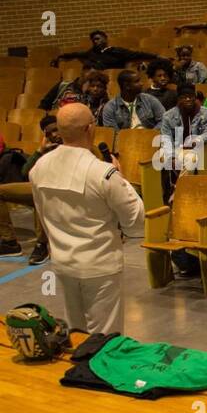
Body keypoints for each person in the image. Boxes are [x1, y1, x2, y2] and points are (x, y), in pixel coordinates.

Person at [29, 104, 145, 335]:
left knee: (77, 333)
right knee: (104, 338)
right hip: (99, 264)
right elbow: (135, 221)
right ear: (90, 128)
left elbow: (42, 214)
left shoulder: (39, 167)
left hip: (63, 261)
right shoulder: (102, 172)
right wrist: (121, 177)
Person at [1, 117, 57, 263]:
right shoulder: (45, 149)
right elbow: (25, 172)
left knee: (42, 191)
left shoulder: (72, 145)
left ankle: (42, 245)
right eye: (51, 132)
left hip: (60, 190)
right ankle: (9, 242)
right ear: (45, 134)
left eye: (58, 129)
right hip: (40, 187)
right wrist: (40, 151)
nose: (56, 134)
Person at [156, 85, 207, 196]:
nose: (188, 99)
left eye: (190, 96)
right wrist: (172, 156)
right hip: (175, 148)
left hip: (196, 149)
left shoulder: (204, 112)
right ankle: (166, 193)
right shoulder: (168, 116)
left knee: (190, 159)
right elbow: (166, 139)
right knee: (160, 158)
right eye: (184, 97)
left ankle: (178, 193)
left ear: (195, 97)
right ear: (179, 99)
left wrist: (197, 139)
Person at [52, 30, 154, 70]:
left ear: (105, 39)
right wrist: (60, 56)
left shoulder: (116, 51)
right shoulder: (91, 53)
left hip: (117, 77)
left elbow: (136, 54)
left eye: (98, 39)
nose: (95, 41)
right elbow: (75, 54)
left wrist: (156, 57)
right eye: (93, 40)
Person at [99, 70, 164, 130]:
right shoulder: (110, 107)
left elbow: (164, 120)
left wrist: (151, 134)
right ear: (127, 86)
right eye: (137, 81)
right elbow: (113, 133)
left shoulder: (149, 99)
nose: (141, 83)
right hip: (125, 141)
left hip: (150, 139)